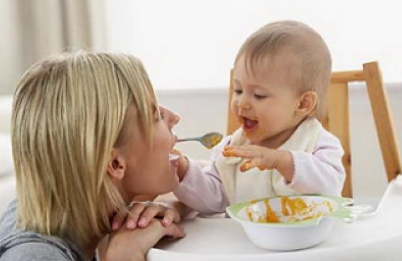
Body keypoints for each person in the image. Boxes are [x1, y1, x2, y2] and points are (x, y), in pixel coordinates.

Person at [0, 52, 185, 261]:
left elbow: (201, 179)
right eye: (156, 116)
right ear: (115, 164)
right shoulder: (35, 256)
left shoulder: (58, 205)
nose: (174, 117)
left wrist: (166, 208)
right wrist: (122, 258)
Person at [172, 20, 346, 214]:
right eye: (238, 90)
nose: (242, 103)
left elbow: (330, 184)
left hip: (312, 242)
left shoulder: (317, 143)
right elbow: (214, 199)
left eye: (259, 95)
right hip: (248, 243)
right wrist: (182, 169)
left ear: (303, 103)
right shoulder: (234, 149)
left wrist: (282, 161)